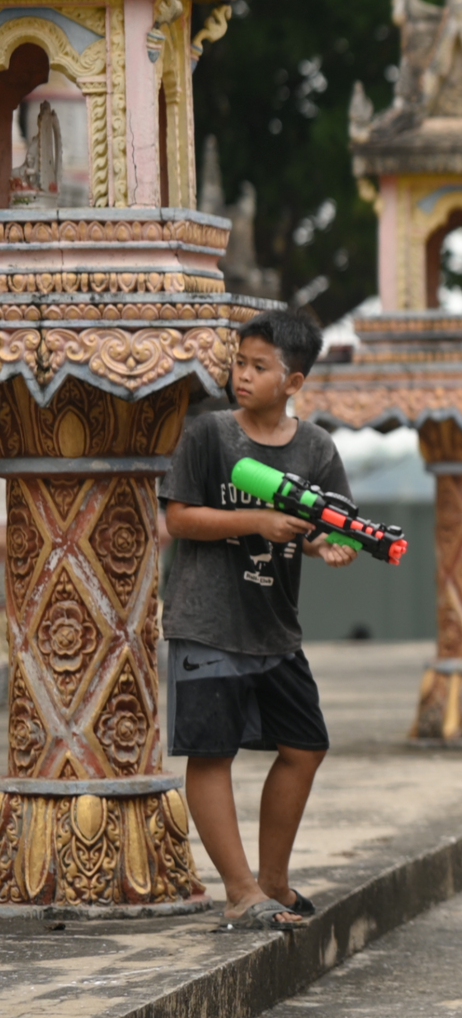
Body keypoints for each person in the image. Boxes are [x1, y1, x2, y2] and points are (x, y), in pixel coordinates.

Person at [161, 310, 358, 932]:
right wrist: (258, 521)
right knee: (212, 753)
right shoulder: (210, 435)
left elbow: (328, 528)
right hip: (207, 620)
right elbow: (180, 519)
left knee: (305, 745)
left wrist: (328, 546)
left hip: (274, 626)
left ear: (293, 381)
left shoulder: (316, 448)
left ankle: (274, 879)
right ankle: (242, 890)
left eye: (258, 367)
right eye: (239, 363)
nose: (242, 376)